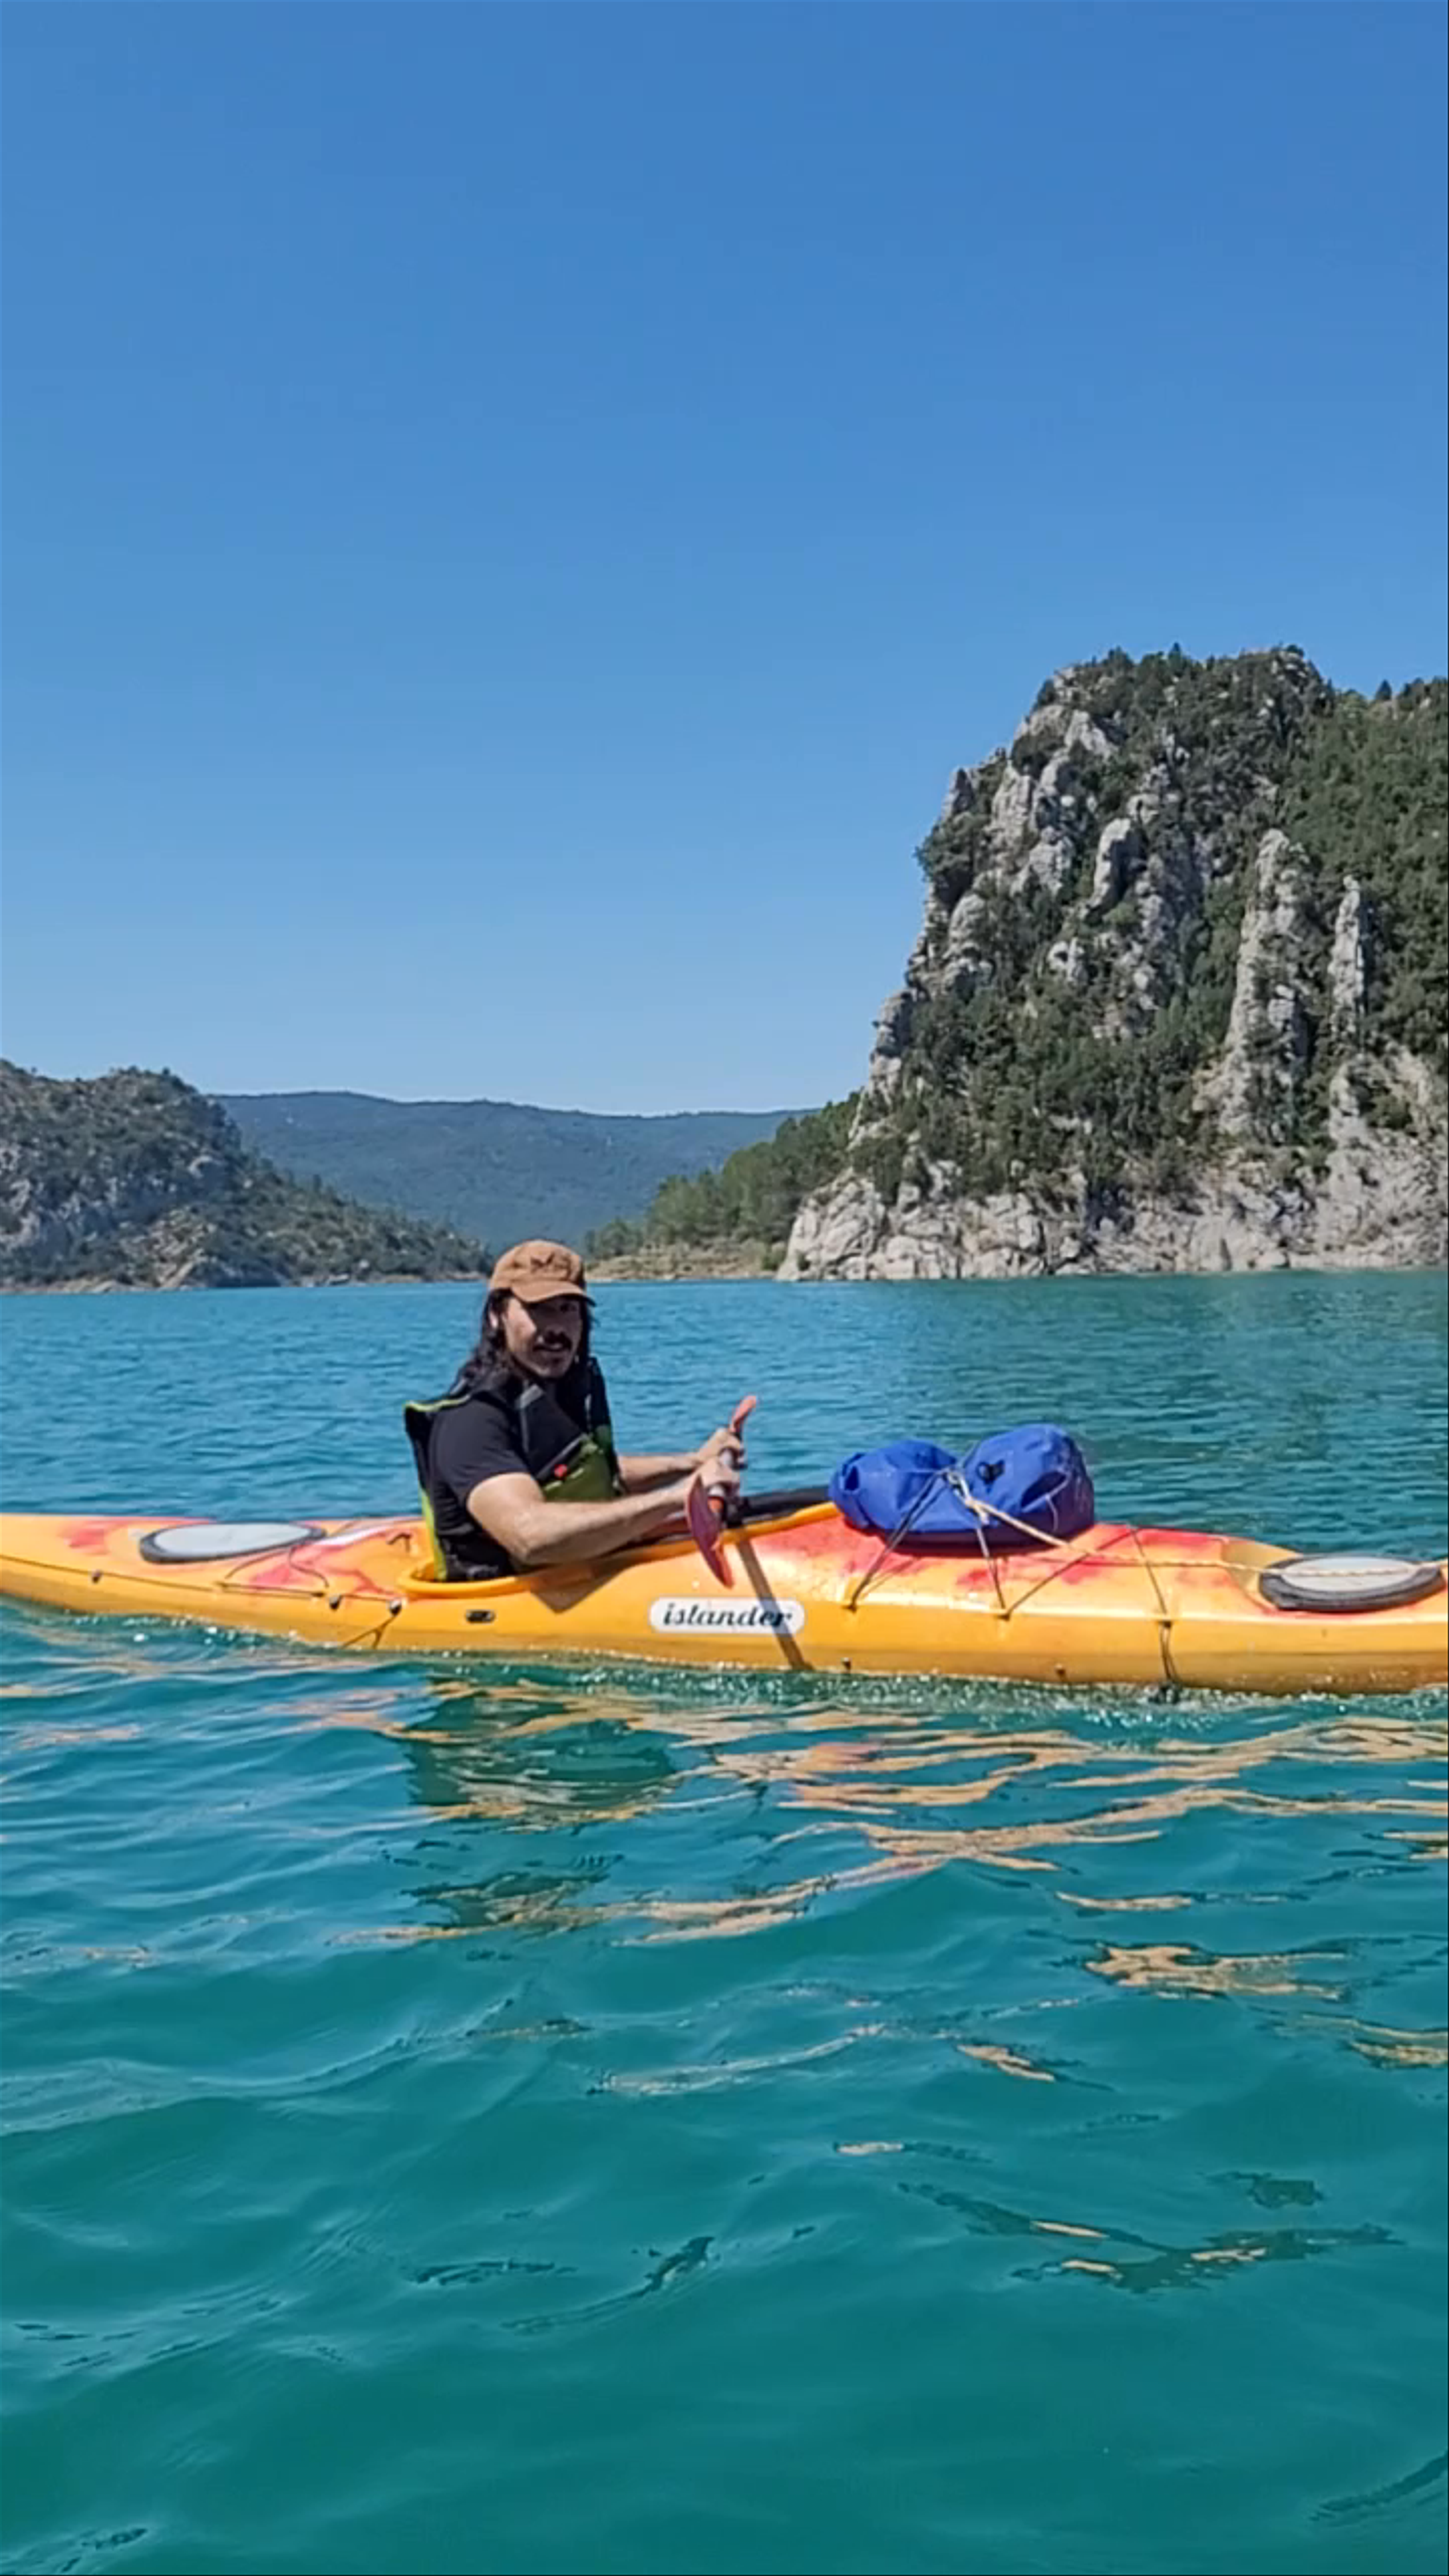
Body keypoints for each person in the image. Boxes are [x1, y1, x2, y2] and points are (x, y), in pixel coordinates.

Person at [405, 1239, 746, 1579]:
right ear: (497, 1316)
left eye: (569, 1309)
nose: (557, 1328)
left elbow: (584, 1476)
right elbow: (530, 1537)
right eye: (539, 1308)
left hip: (580, 1571)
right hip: (507, 1601)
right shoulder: (472, 1421)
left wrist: (690, 1462)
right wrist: (678, 1498)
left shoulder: (554, 1392)